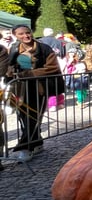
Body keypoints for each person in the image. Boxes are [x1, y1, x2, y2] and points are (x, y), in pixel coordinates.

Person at [4, 24, 64, 159]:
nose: (26, 36)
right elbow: (10, 66)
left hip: (39, 88)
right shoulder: (14, 48)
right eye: (21, 34)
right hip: (20, 88)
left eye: (27, 32)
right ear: (15, 36)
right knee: (24, 117)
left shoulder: (44, 48)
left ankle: (25, 148)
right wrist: (11, 73)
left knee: (34, 116)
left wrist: (29, 73)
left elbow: (52, 67)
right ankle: (37, 142)